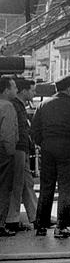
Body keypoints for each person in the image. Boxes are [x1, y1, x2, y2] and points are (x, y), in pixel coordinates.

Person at [31, 75, 70, 239]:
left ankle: (41, 225)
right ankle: (61, 227)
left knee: (46, 187)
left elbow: (35, 128)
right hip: (67, 149)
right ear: (69, 88)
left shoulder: (43, 104)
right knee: (66, 188)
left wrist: (42, 143)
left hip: (48, 148)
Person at [6, 78, 37, 233]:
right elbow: (14, 129)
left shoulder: (19, 105)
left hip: (22, 148)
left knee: (26, 183)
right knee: (17, 185)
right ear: (24, 91)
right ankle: (12, 219)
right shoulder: (15, 106)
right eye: (32, 90)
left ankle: (36, 216)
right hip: (18, 149)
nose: (34, 93)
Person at [0, 76, 19, 238]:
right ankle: (0, 224)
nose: (16, 90)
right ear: (6, 90)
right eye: (14, 87)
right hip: (3, 152)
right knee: (4, 189)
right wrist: (11, 152)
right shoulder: (8, 107)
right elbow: (8, 134)